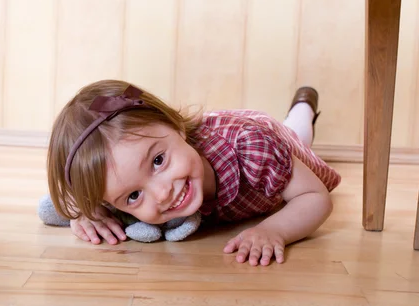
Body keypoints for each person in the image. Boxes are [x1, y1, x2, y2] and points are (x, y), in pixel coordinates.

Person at [47, 79, 341, 266]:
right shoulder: (119, 177)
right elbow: (88, 194)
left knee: (298, 133)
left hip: (272, 136)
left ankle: (303, 107)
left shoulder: (253, 149)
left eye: (159, 161)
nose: (163, 193)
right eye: (134, 195)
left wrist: (273, 230)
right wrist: (87, 215)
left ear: (174, 126)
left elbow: (314, 197)